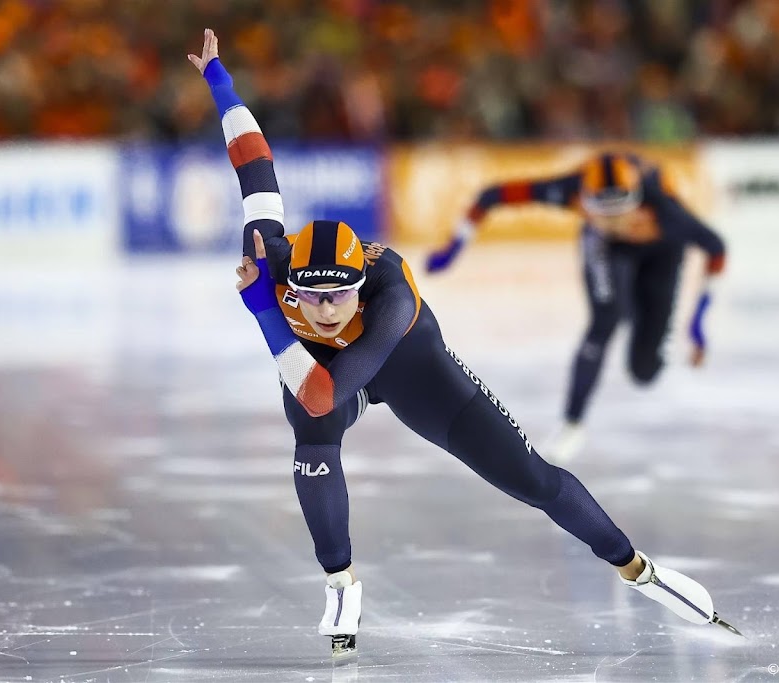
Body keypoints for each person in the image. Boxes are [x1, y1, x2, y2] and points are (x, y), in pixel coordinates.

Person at [188, 29, 739, 658]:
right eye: (308, 298)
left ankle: (637, 566)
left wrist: (264, 310)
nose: (324, 310)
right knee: (313, 445)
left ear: (361, 284)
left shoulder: (391, 298)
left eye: (338, 297)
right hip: (322, 376)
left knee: (531, 477)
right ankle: (341, 584)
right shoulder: (270, 256)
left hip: (405, 364)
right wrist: (219, 81)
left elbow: (321, 394)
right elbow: (255, 166)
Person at [427, 152, 726, 462]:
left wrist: (698, 320)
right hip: (606, 249)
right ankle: (572, 422)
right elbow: (493, 195)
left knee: (645, 371)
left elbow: (716, 249)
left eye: (621, 214)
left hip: (662, 254)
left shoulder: (667, 211)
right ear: (584, 201)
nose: (613, 221)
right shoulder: (568, 189)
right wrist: (455, 246)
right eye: (603, 213)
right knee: (606, 319)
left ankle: (637, 308)